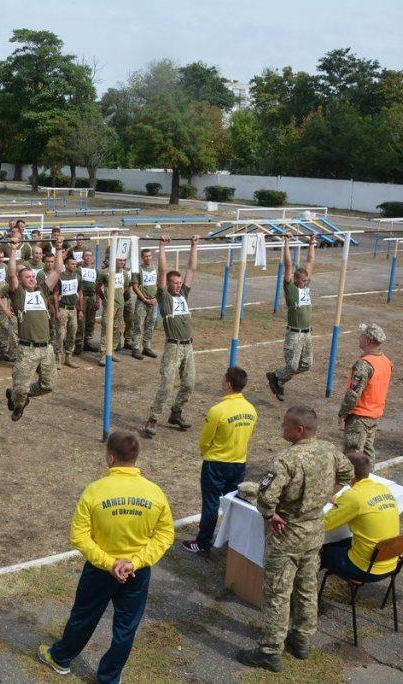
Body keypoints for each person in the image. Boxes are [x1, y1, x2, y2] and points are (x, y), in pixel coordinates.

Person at [38, 431, 174, 682]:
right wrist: (135, 562)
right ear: (135, 458)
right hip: (136, 572)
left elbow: (78, 536)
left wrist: (109, 563)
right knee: (126, 628)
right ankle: (109, 678)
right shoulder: (155, 493)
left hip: (100, 570)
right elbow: (165, 535)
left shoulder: (94, 491)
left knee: (84, 615)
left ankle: (61, 658)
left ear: (111, 458)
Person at [237, 406, 352, 671]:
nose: (282, 428)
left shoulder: (286, 459)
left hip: (286, 534)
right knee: (307, 586)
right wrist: (322, 496)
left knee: (277, 592)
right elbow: (346, 474)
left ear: (299, 430)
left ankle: (269, 650)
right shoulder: (329, 449)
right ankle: (301, 639)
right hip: (313, 532)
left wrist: (269, 515)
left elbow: (266, 496)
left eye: (285, 425)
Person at [182, 367, 258, 555]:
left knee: (211, 505)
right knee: (236, 505)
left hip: (216, 464)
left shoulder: (218, 410)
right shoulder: (251, 409)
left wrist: (207, 453)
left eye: (224, 379)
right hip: (239, 463)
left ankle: (203, 543)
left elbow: (205, 440)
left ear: (228, 384)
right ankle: (236, 543)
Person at [0, 236, 63, 421]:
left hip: (46, 348)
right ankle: (19, 402)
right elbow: (11, 275)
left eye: (33, 277)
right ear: (21, 281)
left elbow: (58, 270)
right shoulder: (18, 295)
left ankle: (22, 398)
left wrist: (59, 248)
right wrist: (13, 251)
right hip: (27, 349)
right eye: (27, 277)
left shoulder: (43, 290)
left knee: (48, 385)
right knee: (20, 387)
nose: (32, 279)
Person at [144, 235, 198, 437]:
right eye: (174, 283)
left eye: (179, 282)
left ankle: (176, 413)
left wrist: (194, 245)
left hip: (188, 347)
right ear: (167, 284)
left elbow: (191, 270)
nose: (177, 285)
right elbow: (161, 271)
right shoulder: (164, 296)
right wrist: (162, 247)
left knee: (189, 383)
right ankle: (153, 418)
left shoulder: (183, 294)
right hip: (173, 347)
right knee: (167, 385)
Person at [321, 451, 400, 581]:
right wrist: (340, 501)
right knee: (340, 541)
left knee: (321, 550)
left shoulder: (353, 496)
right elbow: (361, 503)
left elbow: (324, 524)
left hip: (366, 568)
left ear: (349, 473)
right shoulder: (382, 488)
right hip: (390, 563)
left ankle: (304, 591)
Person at [267, 235, 317, 400]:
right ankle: (276, 377)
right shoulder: (290, 288)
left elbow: (310, 261)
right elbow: (288, 264)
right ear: (295, 279)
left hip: (307, 333)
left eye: (306, 280)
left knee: (306, 365)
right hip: (294, 333)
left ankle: (278, 379)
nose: (305, 282)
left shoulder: (306, 287)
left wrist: (311, 243)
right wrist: (286, 242)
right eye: (303, 280)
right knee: (293, 365)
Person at [338, 323, 392, 464]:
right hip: (374, 415)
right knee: (368, 454)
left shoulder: (364, 364)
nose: (359, 338)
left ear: (368, 341)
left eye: (361, 336)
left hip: (359, 417)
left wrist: (343, 414)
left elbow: (353, 394)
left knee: (352, 456)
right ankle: (369, 479)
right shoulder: (386, 361)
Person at [96, 256, 129, 367]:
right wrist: (105, 299)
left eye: (124, 261)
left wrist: (118, 297)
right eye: (120, 260)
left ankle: (113, 350)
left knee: (118, 329)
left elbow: (125, 287)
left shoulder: (125, 273)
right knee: (106, 329)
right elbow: (98, 287)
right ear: (114, 261)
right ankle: (103, 354)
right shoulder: (105, 273)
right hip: (109, 307)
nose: (122, 262)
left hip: (120, 305)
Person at [128, 247, 158, 360]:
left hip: (153, 301)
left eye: (149, 256)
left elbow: (159, 284)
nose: (148, 258)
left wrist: (156, 298)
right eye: (146, 256)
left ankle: (147, 347)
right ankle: (136, 348)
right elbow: (135, 286)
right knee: (138, 325)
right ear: (142, 257)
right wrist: (144, 299)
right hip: (142, 302)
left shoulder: (155, 268)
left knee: (150, 325)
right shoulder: (138, 269)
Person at [56, 253, 84, 368]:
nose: (74, 266)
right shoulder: (60, 277)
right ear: (66, 265)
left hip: (73, 310)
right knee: (60, 335)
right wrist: (57, 311)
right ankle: (58, 359)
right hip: (63, 308)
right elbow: (55, 295)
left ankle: (68, 357)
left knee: (72, 333)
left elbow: (80, 294)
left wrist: (80, 310)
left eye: (75, 264)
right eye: (72, 264)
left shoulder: (77, 277)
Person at [80, 249, 100, 354]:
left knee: (91, 320)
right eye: (86, 255)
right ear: (83, 258)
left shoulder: (96, 271)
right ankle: (78, 342)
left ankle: (88, 342)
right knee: (81, 320)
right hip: (82, 297)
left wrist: (98, 300)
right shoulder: (79, 270)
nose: (88, 257)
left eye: (90, 256)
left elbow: (97, 287)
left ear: (92, 258)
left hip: (92, 297)